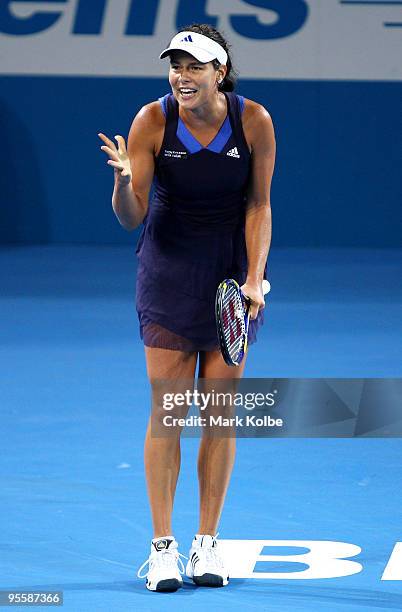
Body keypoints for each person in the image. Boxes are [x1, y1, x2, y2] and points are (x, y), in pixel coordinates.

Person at [98, 23, 275, 592]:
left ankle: (208, 544)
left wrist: (253, 278)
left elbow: (259, 204)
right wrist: (125, 183)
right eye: (175, 66)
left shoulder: (254, 121)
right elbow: (131, 214)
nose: (181, 76)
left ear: (219, 72)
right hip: (168, 275)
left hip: (228, 280)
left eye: (194, 66)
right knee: (169, 412)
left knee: (219, 417)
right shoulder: (152, 121)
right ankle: (164, 547)